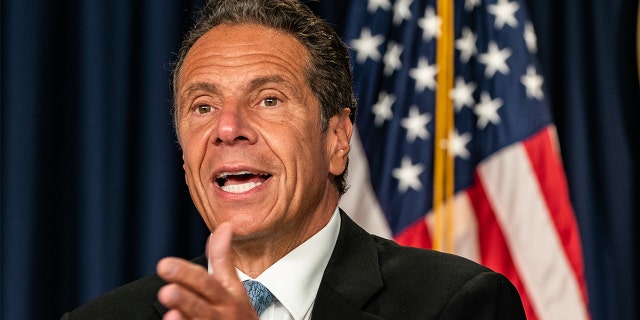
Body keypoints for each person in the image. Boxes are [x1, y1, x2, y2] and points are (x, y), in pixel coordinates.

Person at [61, 0, 526, 319]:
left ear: (337, 140)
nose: (227, 129)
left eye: (269, 100)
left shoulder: (456, 304)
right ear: (184, 158)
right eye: (203, 107)